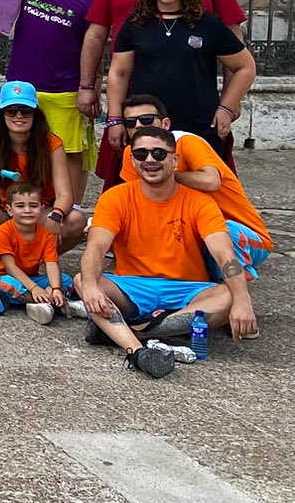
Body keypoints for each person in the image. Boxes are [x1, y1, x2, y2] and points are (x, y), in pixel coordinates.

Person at [79, 0, 245, 184]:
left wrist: (229, 102)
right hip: (137, 111)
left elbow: (237, 50)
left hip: (196, 109)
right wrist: (92, 91)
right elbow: (97, 37)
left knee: (203, 182)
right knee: (131, 182)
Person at [81, 125, 259, 378]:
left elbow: (225, 255)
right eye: (141, 154)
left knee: (228, 296)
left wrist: (243, 300)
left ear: (175, 160)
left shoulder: (200, 201)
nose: (150, 160)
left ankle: (129, 331)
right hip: (133, 287)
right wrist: (89, 285)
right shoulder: (115, 197)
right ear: (132, 160)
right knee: (84, 280)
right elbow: (96, 246)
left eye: (159, 153)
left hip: (186, 288)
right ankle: (137, 351)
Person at [104, 0, 254, 165]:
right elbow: (119, 74)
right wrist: (116, 119)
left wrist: (226, 108)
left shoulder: (208, 25)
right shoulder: (135, 24)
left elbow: (245, 67)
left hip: (199, 125)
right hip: (147, 126)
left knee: (201, 186)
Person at [115, 93, 272, 265]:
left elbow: (211, 181)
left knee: (222, 232)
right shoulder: (132, 153)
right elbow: (137, 203)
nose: (138, 126)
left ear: (165, 124)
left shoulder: (187, 142)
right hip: (190, 230)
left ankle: (230, 281)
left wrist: (162, 175)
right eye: (130, 122)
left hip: (240, 234)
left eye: (146, 120)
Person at [7, 0, 96, 173]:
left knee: (70, 152)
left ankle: (73, 206)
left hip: (64, 89)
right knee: (20, 149)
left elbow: (95, 49)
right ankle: (23, 202)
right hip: (22, 88)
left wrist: (90, 89)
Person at [0, 81, 86, 250]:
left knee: (76, 221)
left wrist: (55, 216)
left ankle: (43, 258)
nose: (18, 116)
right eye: (12, 110)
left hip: (39, 209)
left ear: (35, 114)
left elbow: (65, 194)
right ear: (2, 114)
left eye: (26, 111)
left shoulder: (52, 144)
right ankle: (4, 258)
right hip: (5, 210)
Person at [0, 182, 84, 325]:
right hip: (4, 276)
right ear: (9, 210)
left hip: (31, 277)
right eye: (20, 206)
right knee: (8, 286)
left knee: (65, 280)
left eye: (33, 206)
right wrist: (34, 288)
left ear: (42, 209)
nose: (27, 210)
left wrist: (55, 288)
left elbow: (51, 263)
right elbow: (11, 268)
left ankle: (47, 299)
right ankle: (49, 302)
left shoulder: (46, 235)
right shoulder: (3, 232)